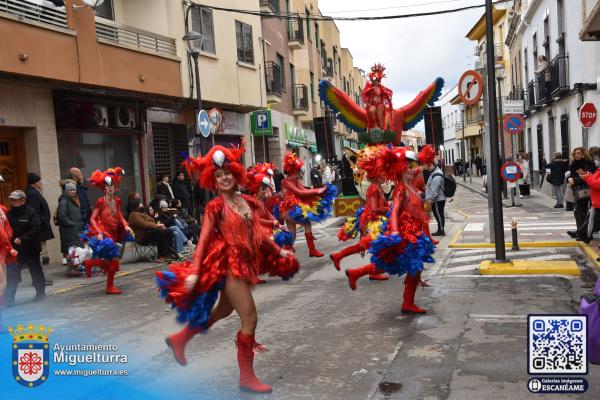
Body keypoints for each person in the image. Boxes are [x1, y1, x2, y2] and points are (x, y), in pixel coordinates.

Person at [156, 142, 297, 394]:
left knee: (221, 311)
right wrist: (196, 273)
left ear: (236, 173)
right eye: (218, 175)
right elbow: (203, 242)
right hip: (229, 266)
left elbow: (258, 232)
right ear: (213, 179)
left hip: (245, 264)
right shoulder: (215, 207)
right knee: (250, 317)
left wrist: (279, 250)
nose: (223, 178)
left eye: (227, 173)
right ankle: (247, 377)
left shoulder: (246, 202)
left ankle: (180, 340)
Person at [367, 146, 435, 314]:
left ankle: (408, 302)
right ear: (402, 169)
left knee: (414, 267)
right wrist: (396, 232)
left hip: (415, 232)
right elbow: (395, 212)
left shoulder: (410, 186)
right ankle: (407, 303)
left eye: (413, 166)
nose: (414, 169)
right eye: (409, 166)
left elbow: (421, 167)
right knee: (407, 265)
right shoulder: (401, 189)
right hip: (406, 233)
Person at [330, 145, 389, 289]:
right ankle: (369, 271)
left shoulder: (375, 187)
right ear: (376, 174)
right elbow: (375, 209)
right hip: (373, 221)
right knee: (377, 247)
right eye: (382, 174)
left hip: (372, 219)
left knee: (368, 246)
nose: (385, 176)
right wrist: (388, 208)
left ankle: (340, 257)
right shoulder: (374, 188)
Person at [83, 168, 133, 294]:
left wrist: (126, 225)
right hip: (104, 232)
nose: (110, 188)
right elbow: (92, 218)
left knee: (109, 262)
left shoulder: (117, 201)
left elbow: (120, 215)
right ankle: (109, 286)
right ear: (104, 189)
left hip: (114, 232)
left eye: (112, 186)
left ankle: (90, 263)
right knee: (115, 261)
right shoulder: (100, 201)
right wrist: (98, 232)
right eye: (107, 186)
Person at [277, 152, 337, 257]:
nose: (300, 175)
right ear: (295, 171)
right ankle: (311, 250)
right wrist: (317, 191)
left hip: (289, 210)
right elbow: (301, 192)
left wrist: (318, 191)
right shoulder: (287, 182)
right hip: (288, 210)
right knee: (306, 225)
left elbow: (303, 190)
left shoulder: (293, 180)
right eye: (299, 172)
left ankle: (286, 254)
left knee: (293, 233)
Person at [5, 190, 46, 305]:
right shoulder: (9, 214)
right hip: (15, 249)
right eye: (11, 199)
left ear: (23, 200)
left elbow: (36, 228)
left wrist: (22, 238)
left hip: (30, 247)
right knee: (13, 273)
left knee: (35, 270)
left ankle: (40, 293)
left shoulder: (31, 212)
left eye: (15, 200)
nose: (12, 202)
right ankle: (9, 299)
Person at [25, 173, 54, 275]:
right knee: (40, 253)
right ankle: (38, 278)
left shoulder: (32, 192)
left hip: (38, 228)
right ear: (35, 183)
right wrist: (42, 222)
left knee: (41, 253)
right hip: (39, 229)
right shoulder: (33, 194)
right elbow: (34, 211)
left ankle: (39, 277)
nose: (41, 183)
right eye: (39, 181)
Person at [57, 180, 85, 276]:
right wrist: (72, 224)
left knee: (75, 250)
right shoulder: (64, 201)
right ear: (66, 191)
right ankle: (71, 269)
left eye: (74, 190)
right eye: (70, 190)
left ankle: (75, 268)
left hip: (75, 229)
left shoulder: (73, 200)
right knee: (71, 250)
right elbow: (61, 216)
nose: (73, 192)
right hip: (69, 230)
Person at [567, 148, 596, 238]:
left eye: (579, 153)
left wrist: (574, 180)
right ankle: (580, 232)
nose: (576, 155)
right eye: (575, 153)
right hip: (576, 190)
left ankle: (584, 233)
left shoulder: (588, 164)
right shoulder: (574, 164)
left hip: (585, 190)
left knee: (584, 212)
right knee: (578, 212)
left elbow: (588, 176)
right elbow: (571, 175)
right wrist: (569, 179)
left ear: (583, 154)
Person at [0, 180, 18, 328]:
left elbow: (7, 231)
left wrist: (8, 246)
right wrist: (9, 246)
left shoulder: (2, 209)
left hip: (2, 250)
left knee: (3, 282)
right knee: (2, 283)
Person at [424, 155, 447, 236]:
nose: (424, 165)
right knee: (438, 214)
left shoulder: (436, 175)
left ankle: (441, 230)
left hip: (438, 200)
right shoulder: (434, 173)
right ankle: (440, 229)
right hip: (438, 199)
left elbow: (435, 192)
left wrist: (430, 201)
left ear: (430, 164)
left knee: (439, 215)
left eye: (425, 163)